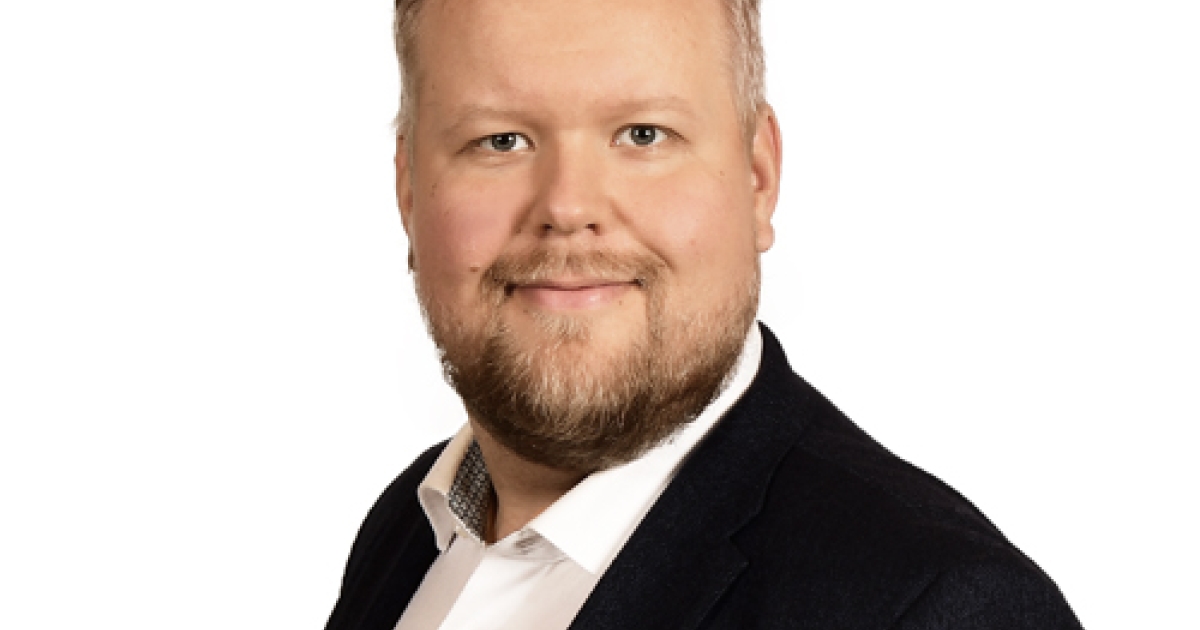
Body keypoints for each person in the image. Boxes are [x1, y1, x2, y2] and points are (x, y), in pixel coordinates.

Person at [325, 0, 1083, 628]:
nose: (568, 206)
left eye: (643, 135)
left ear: (758, 177)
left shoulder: (941, 606)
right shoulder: (408, 533)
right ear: (408, 189)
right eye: (501, 141)